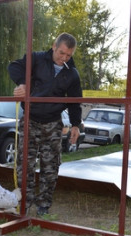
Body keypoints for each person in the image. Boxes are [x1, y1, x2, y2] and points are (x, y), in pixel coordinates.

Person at [8, 32, 82, 216]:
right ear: (54, 46)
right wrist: (22, 83)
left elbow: (75, 101)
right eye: (61, 53)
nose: (63, 58)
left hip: (53, 123)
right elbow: (14, 67)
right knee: (25, 164)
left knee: (50, 166)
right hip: (30, 119)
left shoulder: (72, 74)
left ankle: (44, 204)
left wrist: (75, 125)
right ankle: (25, 200)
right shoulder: (36, 59)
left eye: (68, 55)